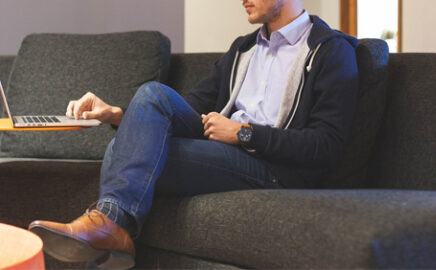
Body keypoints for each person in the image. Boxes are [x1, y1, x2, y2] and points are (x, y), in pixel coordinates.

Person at [29, 0, 359, 269]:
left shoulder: (330, 51)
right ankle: (113, 229)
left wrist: (244, 134)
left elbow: (326, 145)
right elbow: (181, 109)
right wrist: (119, 115)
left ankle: (111, 228)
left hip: (275, 170)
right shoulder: (243, 49)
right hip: (224, 152)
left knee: (123, 152)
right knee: (152, 97)